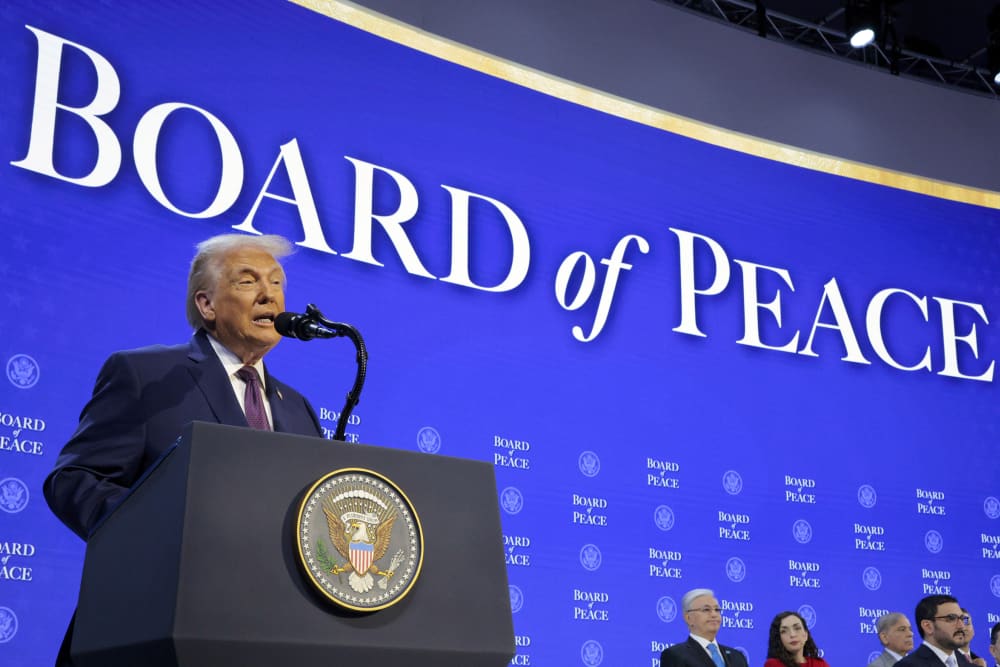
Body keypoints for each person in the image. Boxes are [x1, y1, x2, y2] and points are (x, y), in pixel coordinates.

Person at [44, 233, 323, 665]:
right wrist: (164, 534)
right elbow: (75, 480)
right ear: (207, 305)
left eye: (277, 282)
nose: (270, 295)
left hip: (266, 633)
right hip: (150, 628)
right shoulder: (146, 374)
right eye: (247, 282)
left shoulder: (299, 408)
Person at [660, 588, 750, 667]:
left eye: (717, 610)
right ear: (688, 618)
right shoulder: (675, 655)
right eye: (706, 610)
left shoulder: (737, 657)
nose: (714, 614)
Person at [895, 595, 969, 667]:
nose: (961, 626)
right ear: (928, 627)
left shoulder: (969, 664)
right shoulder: (908, 665)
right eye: (951, 618)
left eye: (962, 618)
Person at [764, 610, 829, 667]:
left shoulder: (820, 664)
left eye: (797, 628)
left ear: (806, 635)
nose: (792, 635)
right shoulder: (773, 664)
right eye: (784, 631)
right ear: (779, 639)